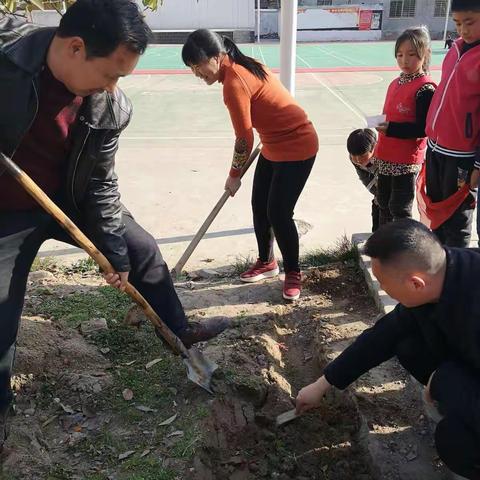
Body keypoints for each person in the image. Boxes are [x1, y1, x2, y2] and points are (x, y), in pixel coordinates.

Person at [0, 0, 229, 453]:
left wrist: (113, 251)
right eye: (111, 73)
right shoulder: (10, 50)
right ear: (76, 48)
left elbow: (101, 183)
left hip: (73, 197)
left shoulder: (108, 105)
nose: (114, 86)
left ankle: (177, 332)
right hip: (8, 211)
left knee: (140, 249)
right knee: (1, 307)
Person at [296, 219, 480, 480]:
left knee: (454, 442)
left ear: (416, 283)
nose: (383, 289)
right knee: (407, 345)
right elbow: (385, 333)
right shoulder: (444, 272)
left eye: (383, 282)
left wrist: (443, 381)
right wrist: (323, 383)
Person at [181, 29, 318, 301]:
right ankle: (267, 262)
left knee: (279, 213)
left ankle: (293, 272)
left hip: (297, 146)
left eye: (199, 65)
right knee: (260, 206)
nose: (197, 73)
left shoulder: (235, 82)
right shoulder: (242, 64)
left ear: (218, 57)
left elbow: (244, 137)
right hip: (272, 145)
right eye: (192, 68)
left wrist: (234, 175)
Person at [424, 0, 480, 247]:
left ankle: (456, 274)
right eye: (458, 23)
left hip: (462, 156)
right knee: (436, 210)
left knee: (457, 218)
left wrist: (478, 164)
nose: (463, 30)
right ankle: (439, 267)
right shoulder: (455, 48)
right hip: (436, 148)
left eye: (470, 22)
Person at [373, 26, 436, 227]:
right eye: (399, 55)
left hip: (405, 162)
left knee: (399, 208)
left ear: (424, 55)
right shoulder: (395, 82)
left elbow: (422, 129)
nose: (404, 60)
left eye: (411, 55)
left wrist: (391, 128)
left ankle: (402, 251)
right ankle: (385, 245)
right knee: (382, 202)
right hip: (385, 155)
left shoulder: (425, 89)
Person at [346, 128, 379, 232]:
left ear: (373, 148)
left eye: (362, 156)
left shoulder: (383, 155)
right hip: (376, 181)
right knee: (377, 202)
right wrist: (378, 194)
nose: (358, 160)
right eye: (353, 155)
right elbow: (365, 179)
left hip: (395, 176)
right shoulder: (354, 159)